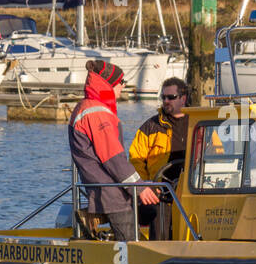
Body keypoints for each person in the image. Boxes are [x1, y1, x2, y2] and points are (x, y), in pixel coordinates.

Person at [68, 59, 158, 241]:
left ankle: (92, 218)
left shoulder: (86, 106)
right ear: (108, 84)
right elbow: (114, 158)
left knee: (145, 211)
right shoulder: (97, 113)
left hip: (102, 185)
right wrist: (140, 187)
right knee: (130, 243)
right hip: (111, 191)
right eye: (121, 82)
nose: (123, 86)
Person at [128, 77, 189, 239]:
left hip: (190, 192)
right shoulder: (150, 126)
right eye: (164, 97)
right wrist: (145, 186)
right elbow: (135, 159)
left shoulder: (196, 124)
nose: (166, 101)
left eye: (171, 97)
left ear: (183, 99)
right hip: (160, 193)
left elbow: (215, 154)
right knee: (160, 236)